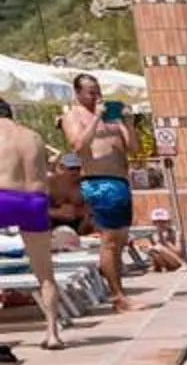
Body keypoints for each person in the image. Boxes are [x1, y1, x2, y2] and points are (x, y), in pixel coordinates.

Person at [60, 77, 133, 306]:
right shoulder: (73, 116)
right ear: (78, 94)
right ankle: (118, 297)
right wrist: (96, 118)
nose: (96, 96)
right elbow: (78, 145)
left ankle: (119, 292)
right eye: (90, 92)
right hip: (99, 182)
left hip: (120, 182)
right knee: (109, 242)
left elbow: (133, 148)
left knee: (120, 241)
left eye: (98, 90)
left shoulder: (112, 118)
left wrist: (128, 123)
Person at [0, 101, 63, 348]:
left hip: (4, 197)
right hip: (35, 201)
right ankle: (53, 333)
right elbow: (44, 170)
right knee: (45, 273)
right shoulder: (33, 137)